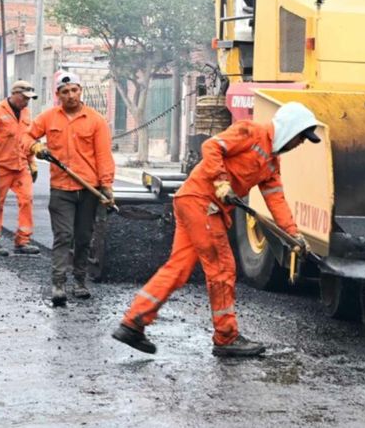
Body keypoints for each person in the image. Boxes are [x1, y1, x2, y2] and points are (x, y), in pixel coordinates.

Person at [112, 102, 321, 357]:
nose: (300, 144)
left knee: (178, 269)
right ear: (290, 129)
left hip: (195, 203)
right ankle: (226, 337)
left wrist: (294, 235)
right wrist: (221, 181)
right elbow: (211, 146)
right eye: (301, 137)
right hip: (202, 202)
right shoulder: (250, 132)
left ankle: (133, 323)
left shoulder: (271, 164)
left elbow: (276, 200)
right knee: (222, 269)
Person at [22, 71, 115, 306]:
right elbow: (25, 138)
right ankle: (59, 283)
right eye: (65, 92)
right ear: (58, 95)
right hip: (61, 188)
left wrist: (106, 186)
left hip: (88, 189)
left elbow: (103, 155)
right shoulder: (49, 118)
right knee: (64, 236)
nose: (71, 95)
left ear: (80, 91)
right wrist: (35, 147)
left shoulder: (95, 120)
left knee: (84, 238)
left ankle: (80, 281)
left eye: (74, 90)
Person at [0, 81, 41, 256]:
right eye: (24, 98)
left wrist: (32, 162)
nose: (26, 102)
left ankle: (23, 241)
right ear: (15, 94)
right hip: (1, 166)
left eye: (29, 99)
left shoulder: (26, 113)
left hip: (21, 165)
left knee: (27, 199)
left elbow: (27, 138)